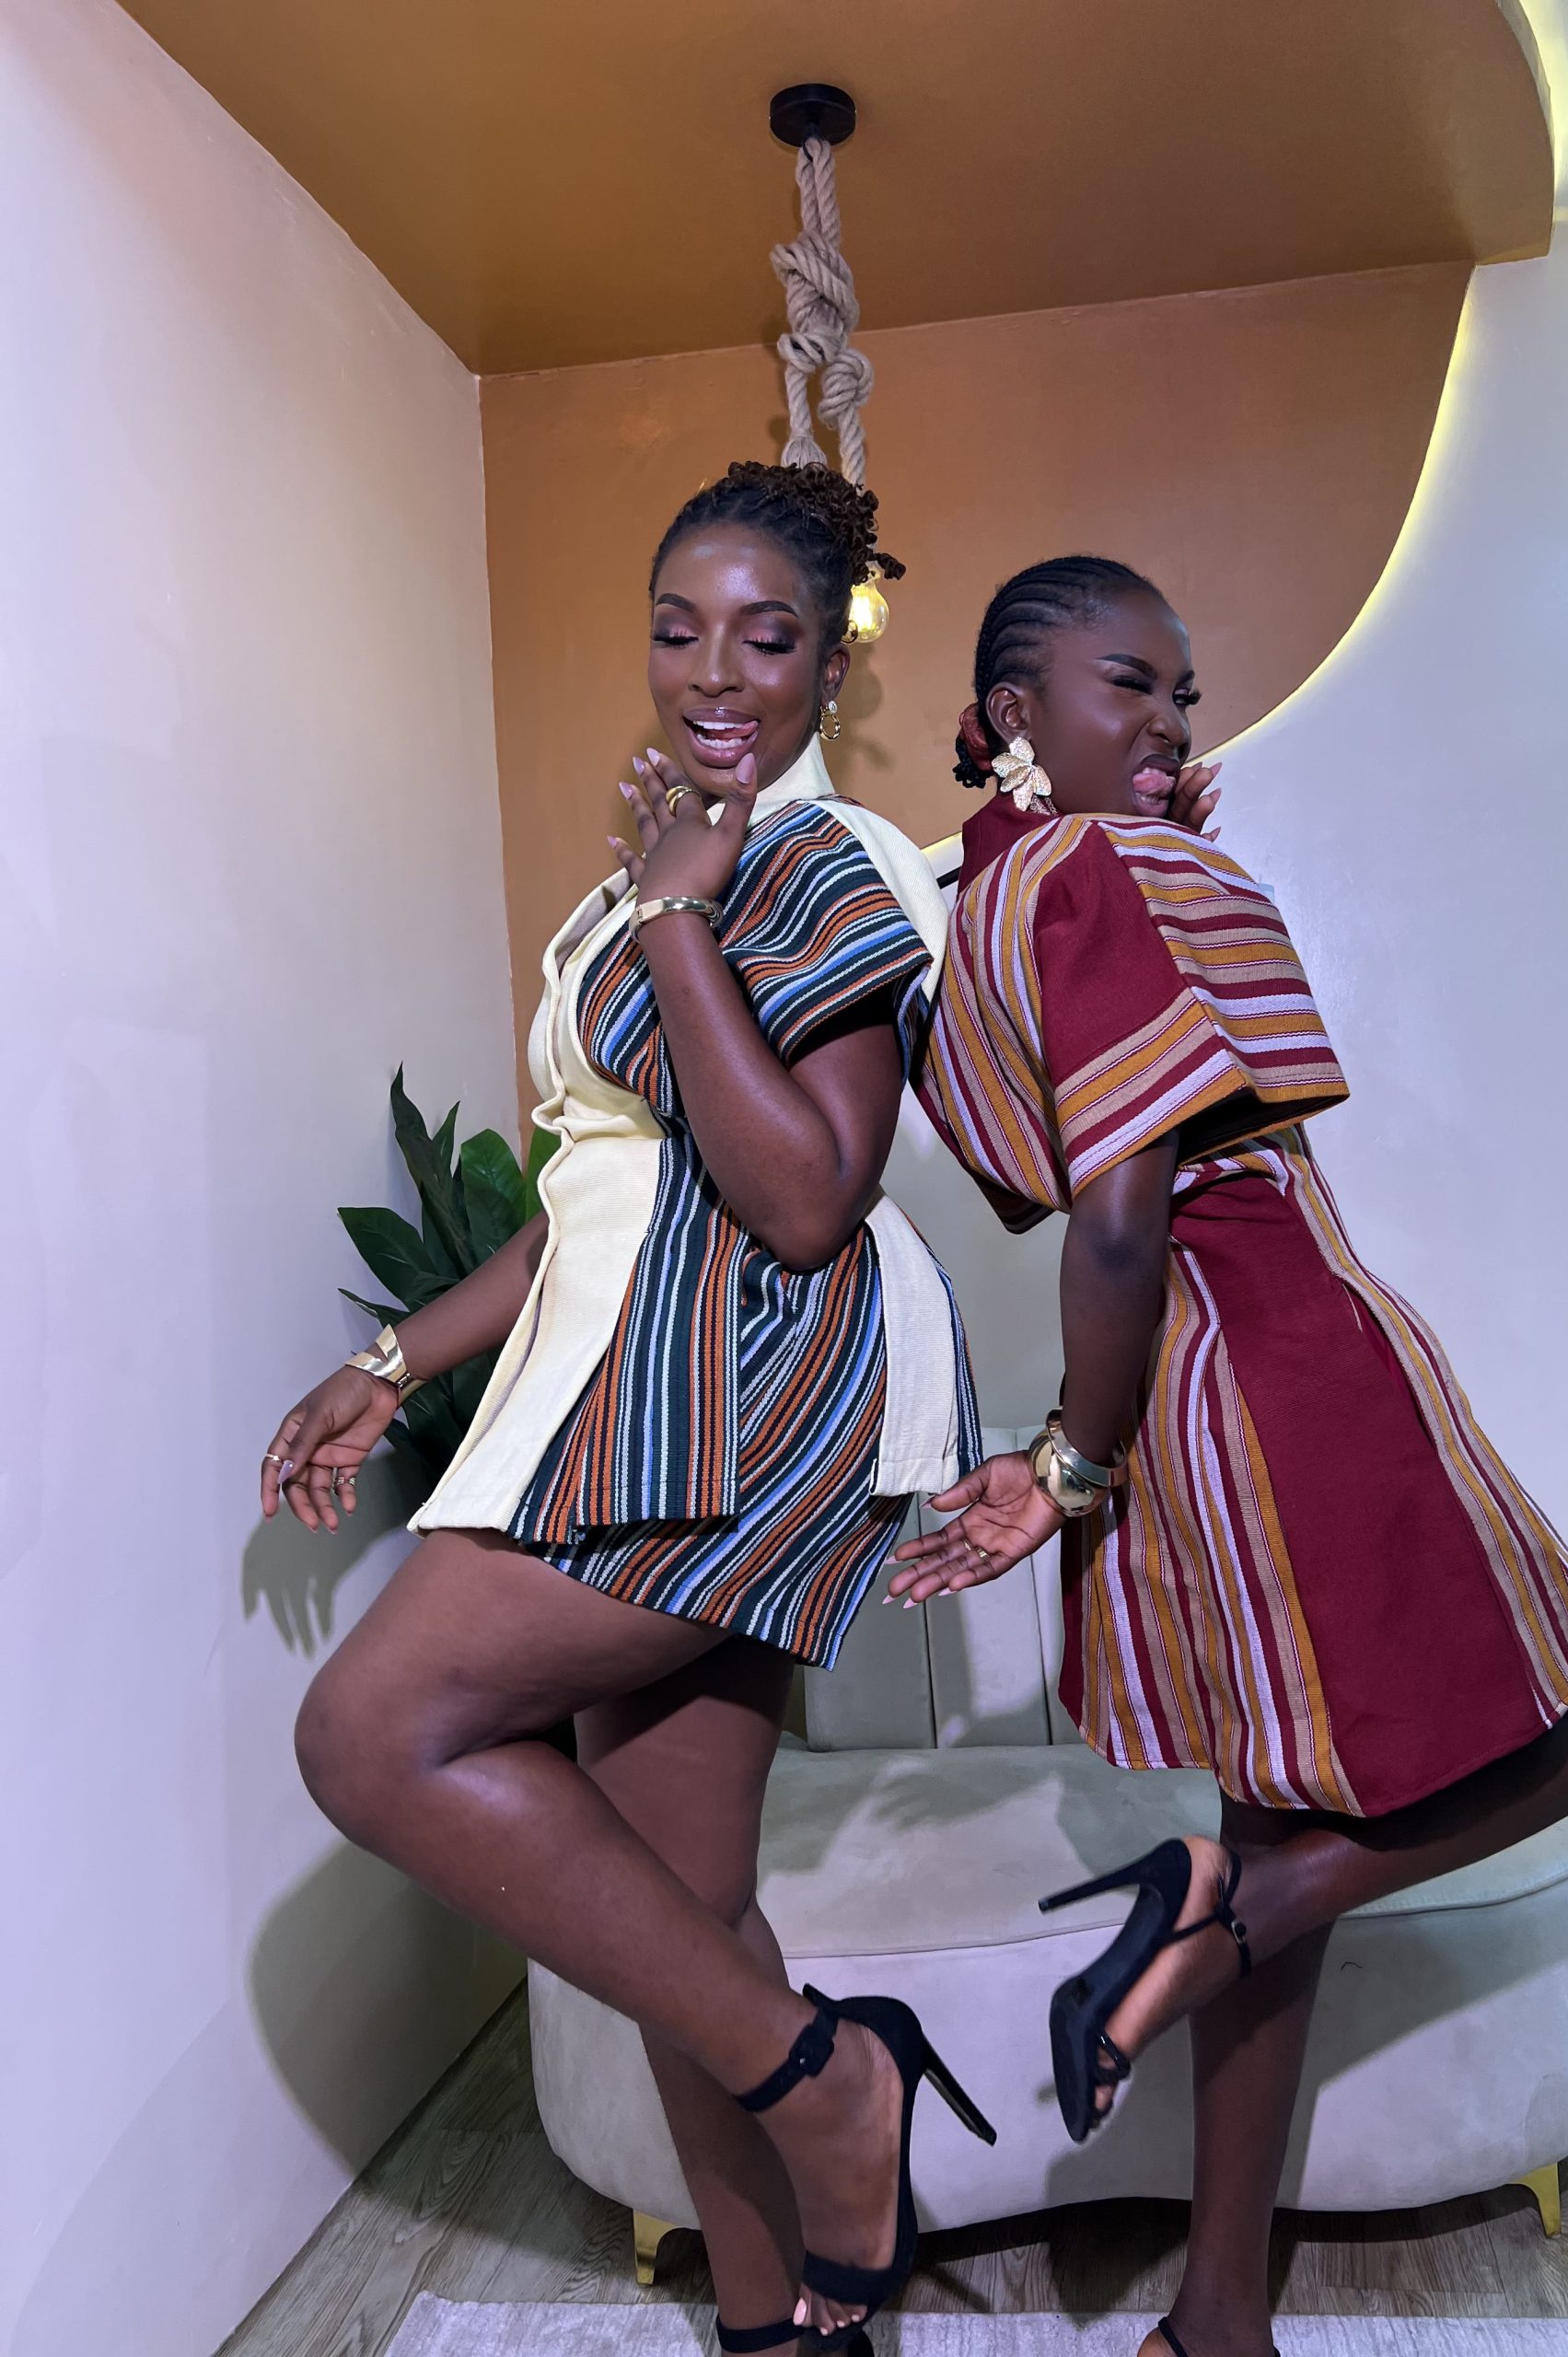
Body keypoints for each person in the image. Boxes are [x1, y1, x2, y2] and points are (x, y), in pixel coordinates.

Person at [260, 462, 996, 2354]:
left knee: (368, 1730)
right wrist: (391, 1364)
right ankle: (784, 2323)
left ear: (832, 663)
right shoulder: (636, 887)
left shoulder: (831, 863)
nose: (714, 672)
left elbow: (808, 1195)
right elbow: (595, 1196)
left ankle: (838, 2079)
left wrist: (681, 918)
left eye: (767, 635)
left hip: (738, 1399)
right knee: (680, 1910)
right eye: (681, 629)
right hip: (615, 1387)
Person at [892, 556, 1568, 2357]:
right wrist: (1066, 1467)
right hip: (1286, 1365)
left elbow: (1044, 1160)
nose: (1169, 722)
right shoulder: (1108, 875)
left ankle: (1216, 2311)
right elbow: (1115, 1213)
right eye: (1129, 685)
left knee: (1277, 1813)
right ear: (1013, 713)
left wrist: (1093, 1455)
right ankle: (1239, 1907)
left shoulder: (1004, 888)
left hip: (1189, 1404)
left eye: (1185, 695)